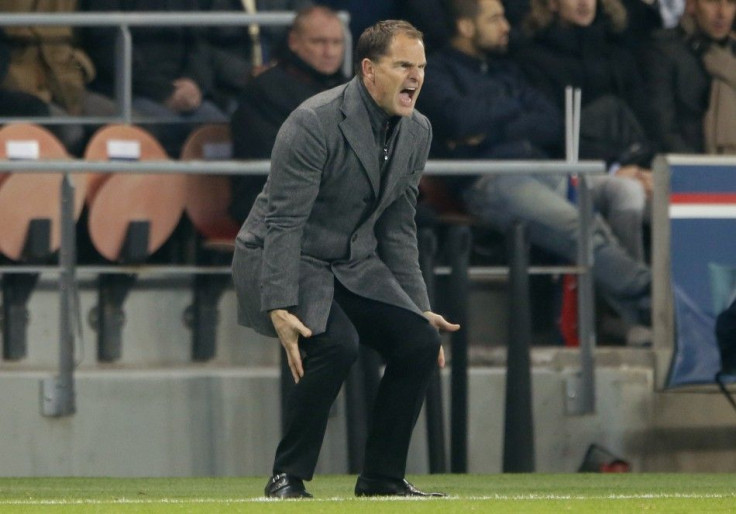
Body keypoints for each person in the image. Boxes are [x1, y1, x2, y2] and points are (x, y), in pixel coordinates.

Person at [231, 19, 459, 498]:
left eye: (420, 67)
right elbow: (283, 222)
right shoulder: (313, 120)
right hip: (286, 255)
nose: (415, 77)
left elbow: (398, 229)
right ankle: (285, 478)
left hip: (353, 261)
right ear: (369, 71)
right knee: (337, 345)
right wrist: (279, 306)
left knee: (418, 341)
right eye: (403, 66)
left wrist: (417, 306)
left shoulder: (418, 131)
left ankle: (381, 479)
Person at [417, 0, 651, 336]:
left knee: (594, 226)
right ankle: (652, 294)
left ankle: (638, 319)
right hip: (489, 179)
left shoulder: (505, 69)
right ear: (467, 28)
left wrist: (486, 125)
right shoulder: (437, 73)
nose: (506, 26)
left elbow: (550, 121)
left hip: (541, 167)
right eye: (495, 19)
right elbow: (458, 121)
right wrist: (513, 110)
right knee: (578, 225)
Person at [515, 0, 656, 198]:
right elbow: (551, 134)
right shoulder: (532, 60)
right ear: (552, 4)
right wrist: (612, 168)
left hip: (635, 168)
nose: (584, 3)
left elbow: (644, 120)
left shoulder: (618, 56)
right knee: (629, 195)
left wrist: (643, 169)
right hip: (567, 174)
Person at [229, 5, 348, 223]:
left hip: (332, 198)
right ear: (294, 42)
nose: (329, 52)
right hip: (273, 202)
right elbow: (281, 160)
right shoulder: (265, 89)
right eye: (319, 42)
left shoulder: (349, 90)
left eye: (336, 43)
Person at [80, 0, 227, 156]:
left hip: (184, 90)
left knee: (219, 130)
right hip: (131, 90)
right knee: (167, 129)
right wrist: (165, 92)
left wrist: (194, 83)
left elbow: (201, 43)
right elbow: (107, 49)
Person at [0, 0, 118, 155]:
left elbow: (83, 41)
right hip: (21, 85)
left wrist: (79, 69)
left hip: (69, 79)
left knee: (126, 129)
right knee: (70, 133)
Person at [641, 0, 736, 154]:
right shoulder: (665, 51)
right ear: (691, 4)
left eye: (730, 3)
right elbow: (662, 129)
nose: (722, 13)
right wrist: (697, 169)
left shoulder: (732, 53)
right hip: (689, 168)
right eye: (712, 2)